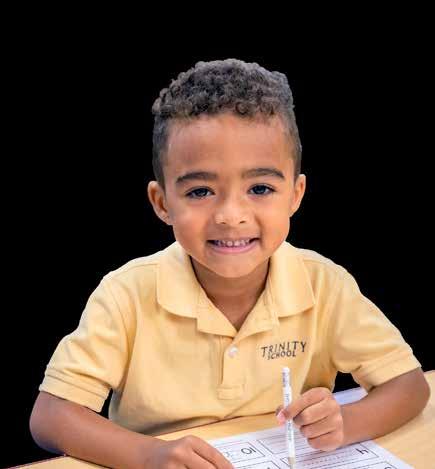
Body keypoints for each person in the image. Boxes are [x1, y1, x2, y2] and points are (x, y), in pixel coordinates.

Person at [29, 58, 430, 469]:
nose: (230, 216)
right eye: (200, 191)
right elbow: (50, 417)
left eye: (260, 188)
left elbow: (410, 386)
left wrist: (346, 422)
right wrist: (148, 454)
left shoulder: (323, 285)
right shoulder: (126, 295)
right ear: (162, 203)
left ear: (295, 194)